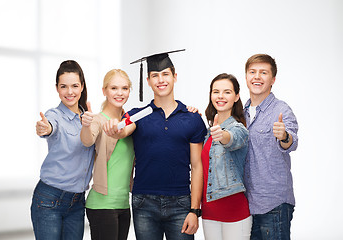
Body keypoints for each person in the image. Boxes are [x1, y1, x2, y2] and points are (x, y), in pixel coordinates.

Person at [103, 50, 207, 240]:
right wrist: (115, 130)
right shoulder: (137, 114)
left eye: (165, 74)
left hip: (181, 203)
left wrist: (195, 209)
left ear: (175, 77)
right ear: (148, 81)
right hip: (144, 203)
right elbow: (124, 129)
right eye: (155, 76)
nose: (161, 80)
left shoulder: (192, 119)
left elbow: (197, 166)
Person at [31, 60, 95, 240]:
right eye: (63, 86)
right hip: (49, 198)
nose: (70, 92)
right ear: (57, 88)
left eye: (75, 86)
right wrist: (46, 128)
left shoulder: (88, 118)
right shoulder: (54, 115)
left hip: (77, 202)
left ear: (82, 86)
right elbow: (50, 126)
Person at [243, 54, 299, 240]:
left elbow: (291, 142)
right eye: (253, 72)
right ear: (246, 76)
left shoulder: (281, 110)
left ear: (272, 79)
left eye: (263, 72)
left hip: (274, 205)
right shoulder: (239, 113)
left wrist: (284, 136)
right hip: (244, 206)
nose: (257, 77)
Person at [80, 69, 135, 240]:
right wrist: (86, 125)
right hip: (102, 204)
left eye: (124, 88)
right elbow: (87, 140)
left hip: (124, 204)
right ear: (104, 91)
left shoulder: (130, 121)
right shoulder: (97, 119)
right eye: (114, 88)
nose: (120, 93)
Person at [201, 73, 252, 240]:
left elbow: (231, 139)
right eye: (216, 91)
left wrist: (222, 134)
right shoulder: (207, 134)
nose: (220, 96)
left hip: (234, 211)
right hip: (209, 211)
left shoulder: (239, 129)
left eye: (227, 92)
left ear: (236, 96)